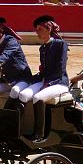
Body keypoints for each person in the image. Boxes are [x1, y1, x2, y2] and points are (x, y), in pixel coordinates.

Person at [18, 15, 69, 143]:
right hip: (45, 80)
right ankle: (20, 129)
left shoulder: (60, 44)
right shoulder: (43, 48)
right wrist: (32, 79)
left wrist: (49, 83)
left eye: (40, 29)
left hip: (59, 82)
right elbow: (44, 71)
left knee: (38, 98)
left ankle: (39, 134)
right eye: (37, 29)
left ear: (49, 29)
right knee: (23, 94)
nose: (37, 32)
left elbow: (60, 68)